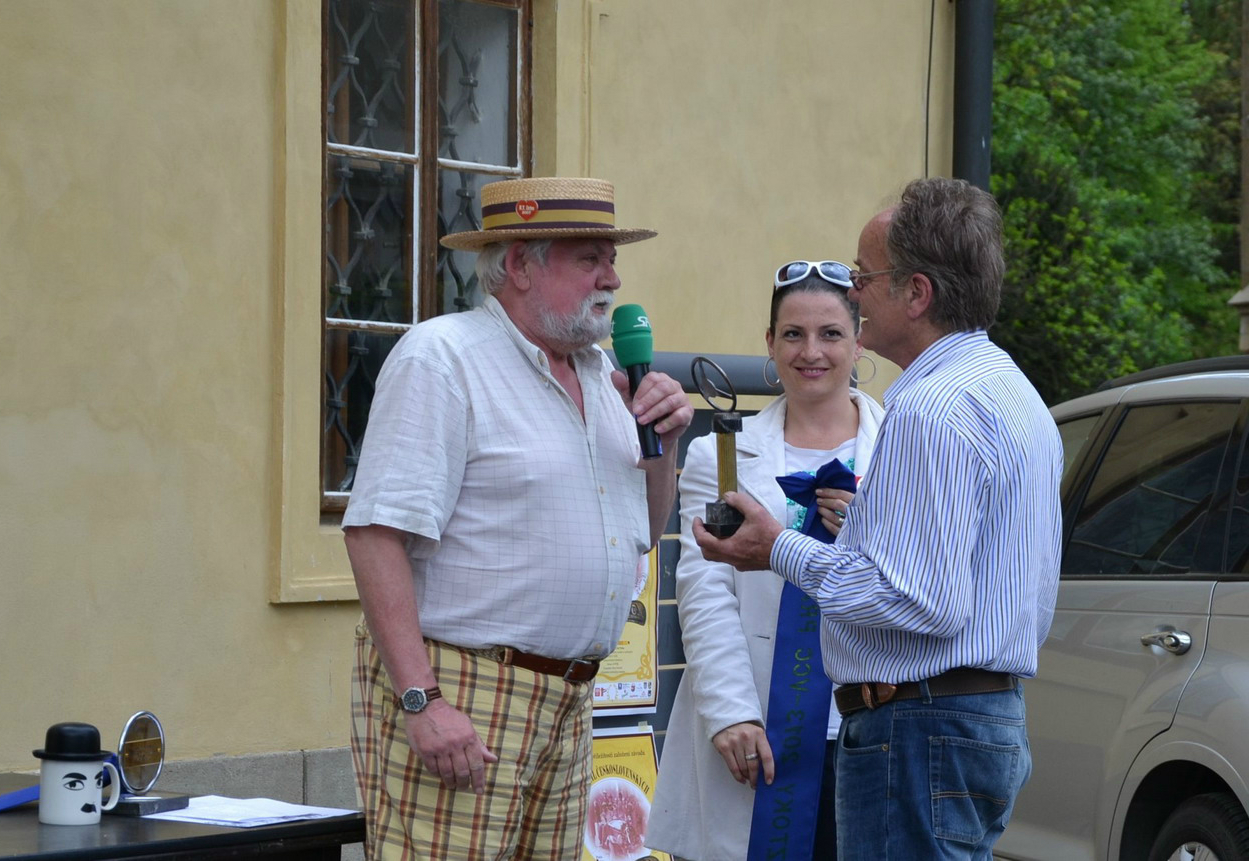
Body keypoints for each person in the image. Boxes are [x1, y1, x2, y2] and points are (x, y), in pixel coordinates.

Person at [693, 176, 1063, 860]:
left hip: (919, 726)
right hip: (975, 716)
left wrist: (777, 547)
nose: (855, 291)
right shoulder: (1011, 390)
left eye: (865, 276)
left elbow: (918, 599)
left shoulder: (928, 409)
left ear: (916, 293)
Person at [342, 176, 694, 861]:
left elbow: (642, 535)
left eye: (612, 258)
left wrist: (666, 445)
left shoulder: (603, 375)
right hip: (465, 686)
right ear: (519, 265)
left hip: (571, 698)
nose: (613, 278)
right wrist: (422, 700)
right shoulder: (443, 358)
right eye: (589, 258)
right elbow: (374, 535)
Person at [647, 261, 886, 861]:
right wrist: (730, 713)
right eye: (793, 334)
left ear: (859, 342)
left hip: (870, 725)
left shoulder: (902, 448)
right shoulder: (720, 455)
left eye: (831, 334)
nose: (812, 352)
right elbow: (704, 592)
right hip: (759, 725)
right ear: (770, 343)